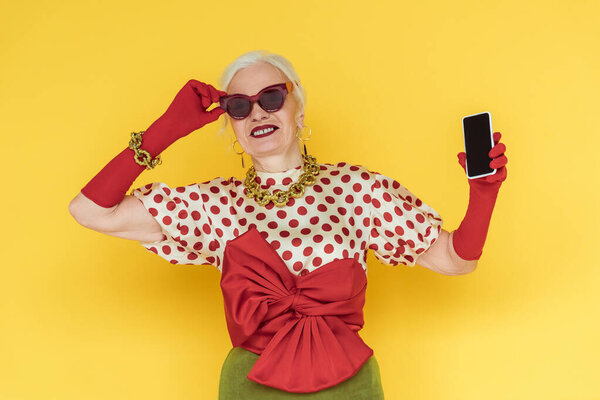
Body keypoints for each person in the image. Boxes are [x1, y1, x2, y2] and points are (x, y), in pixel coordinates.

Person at [68, 49, 508, 399]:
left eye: (272, 98)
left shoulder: (358, 190)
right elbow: (89, 211)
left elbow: (455, 260)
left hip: (349, 385)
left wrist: (483, 195)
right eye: (239, 107)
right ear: (231, 126)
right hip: (250, 385)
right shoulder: (212, 204)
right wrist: (164, 130)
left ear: (298, 108)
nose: (258, 113)